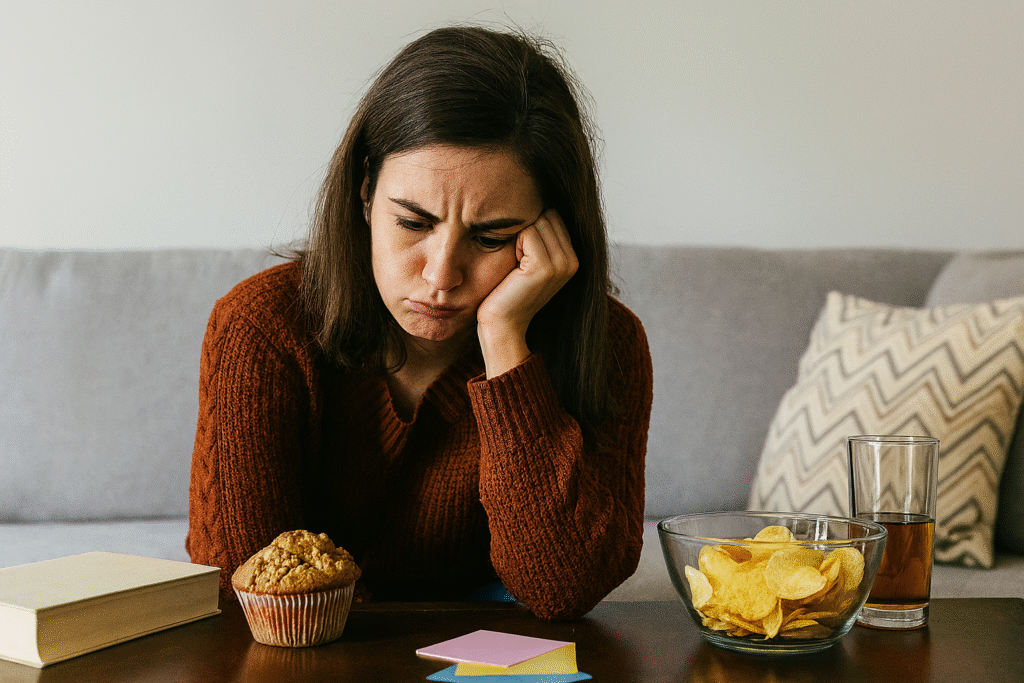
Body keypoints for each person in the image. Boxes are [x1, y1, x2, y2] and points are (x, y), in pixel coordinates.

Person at [185, 25, 653, 621]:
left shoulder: (608, 344)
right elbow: (242, 586)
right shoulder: (260, 327)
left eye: (492, 237)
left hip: (501, 634)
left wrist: (506, 342)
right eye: (412, 223)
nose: (441, 275)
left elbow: (562, 590)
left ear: (548, 231)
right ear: (364, 192)